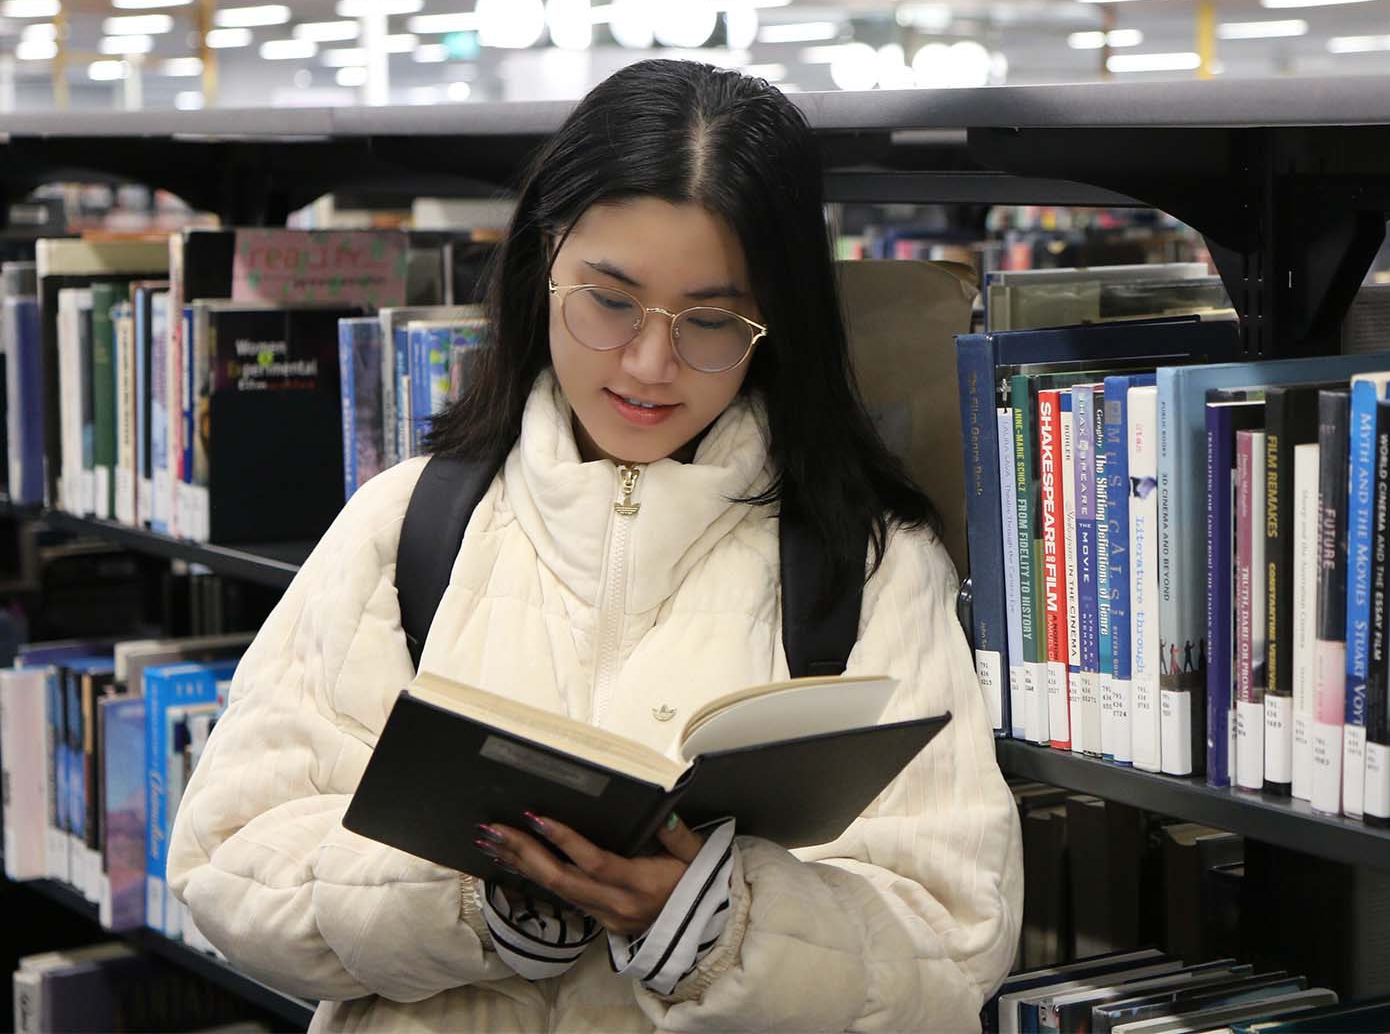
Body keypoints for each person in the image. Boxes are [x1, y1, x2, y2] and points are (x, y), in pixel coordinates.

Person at [168, 59, 1021, 1032]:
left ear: (775, 321)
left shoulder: (867, 566)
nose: (651, 366)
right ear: (543, 263)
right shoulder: (407, 526)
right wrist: (470, 906)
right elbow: (228, 858)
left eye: (711, 321)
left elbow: (955, 940)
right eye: (609, 302)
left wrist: (713, 928)